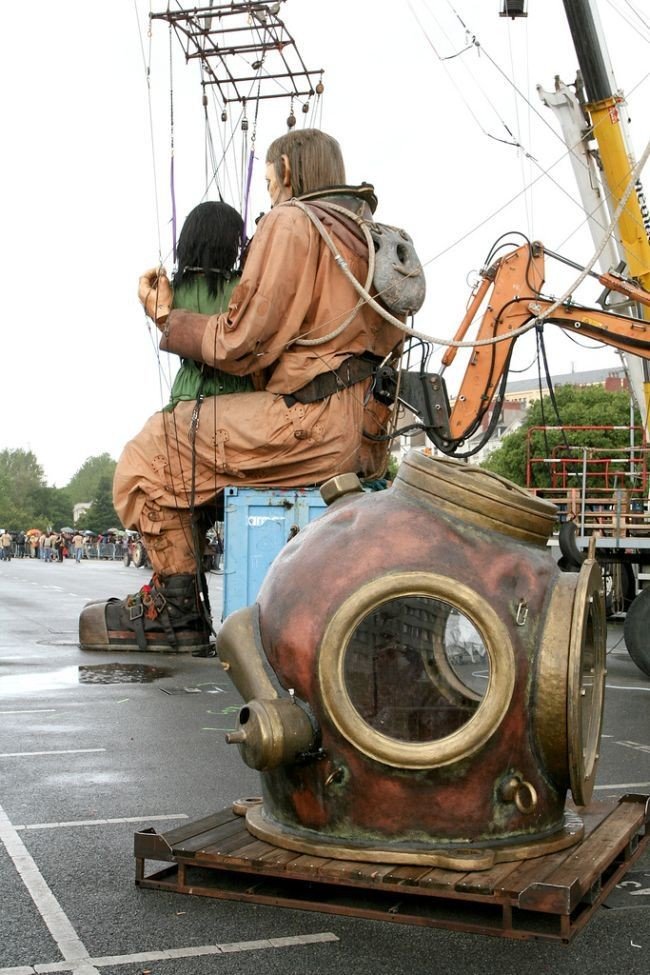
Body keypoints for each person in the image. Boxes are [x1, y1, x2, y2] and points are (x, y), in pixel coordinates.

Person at [79, 129, 404, 654]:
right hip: (363, 433)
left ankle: (176, 611)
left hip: (308, 423)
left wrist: (166, 315)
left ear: (288, 174)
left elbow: (242, 341)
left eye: (272, 182)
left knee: (150, 455)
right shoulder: (369, 237)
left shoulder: (295, 221)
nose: (270, 195)